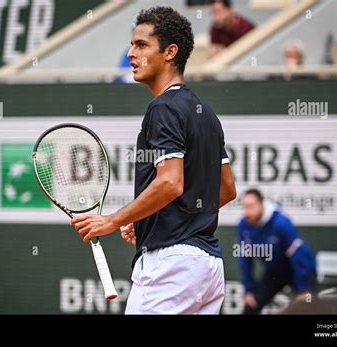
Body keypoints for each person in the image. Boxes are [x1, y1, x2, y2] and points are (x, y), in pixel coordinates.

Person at [72, 6, 236, 314]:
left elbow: (171, 182)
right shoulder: (206, 114)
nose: (131, 53)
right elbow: (226, 190)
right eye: (132, 44)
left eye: (142, 45)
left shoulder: (162, 108)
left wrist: (113, 220)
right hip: (208, 268)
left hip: (171, 268)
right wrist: (152, 218)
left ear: (170, 52)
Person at [237, 188, 316, 314]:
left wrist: (304, 289)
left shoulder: (281, 223)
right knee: (250, 307)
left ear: (261, 204)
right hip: (275, 273)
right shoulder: (244, 225)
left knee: (307, 306)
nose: (247, 212)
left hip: (300, 271)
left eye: (251, 207)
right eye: (244, 207)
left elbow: (298, 256)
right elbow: (245, 259)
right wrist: (249, 290)